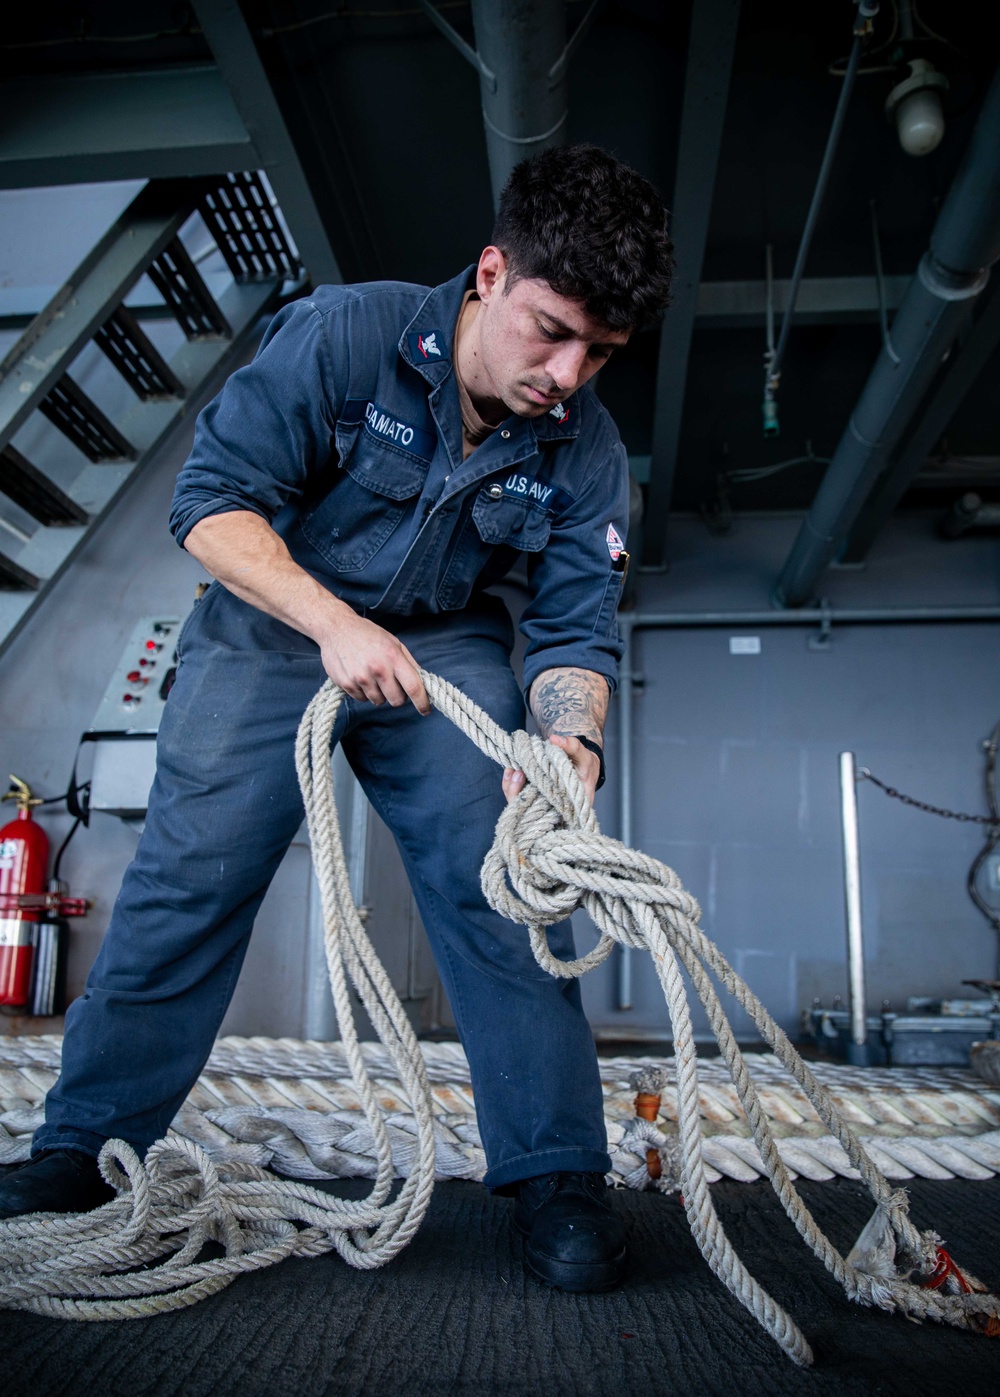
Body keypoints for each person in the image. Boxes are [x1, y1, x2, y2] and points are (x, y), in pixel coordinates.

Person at [0, 144, 673, 1292]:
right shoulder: (343, 337)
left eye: (599, 352)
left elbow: (572, 629)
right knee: (191, 875)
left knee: (507, 880)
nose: (567, 371)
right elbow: (210, 508)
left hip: (446, 641)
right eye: (550, 330)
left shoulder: (587, 448)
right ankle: (81, 1148)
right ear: (491, 273)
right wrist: (333, 625)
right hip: (274, 615)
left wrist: (571, 742)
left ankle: (556, 1168)